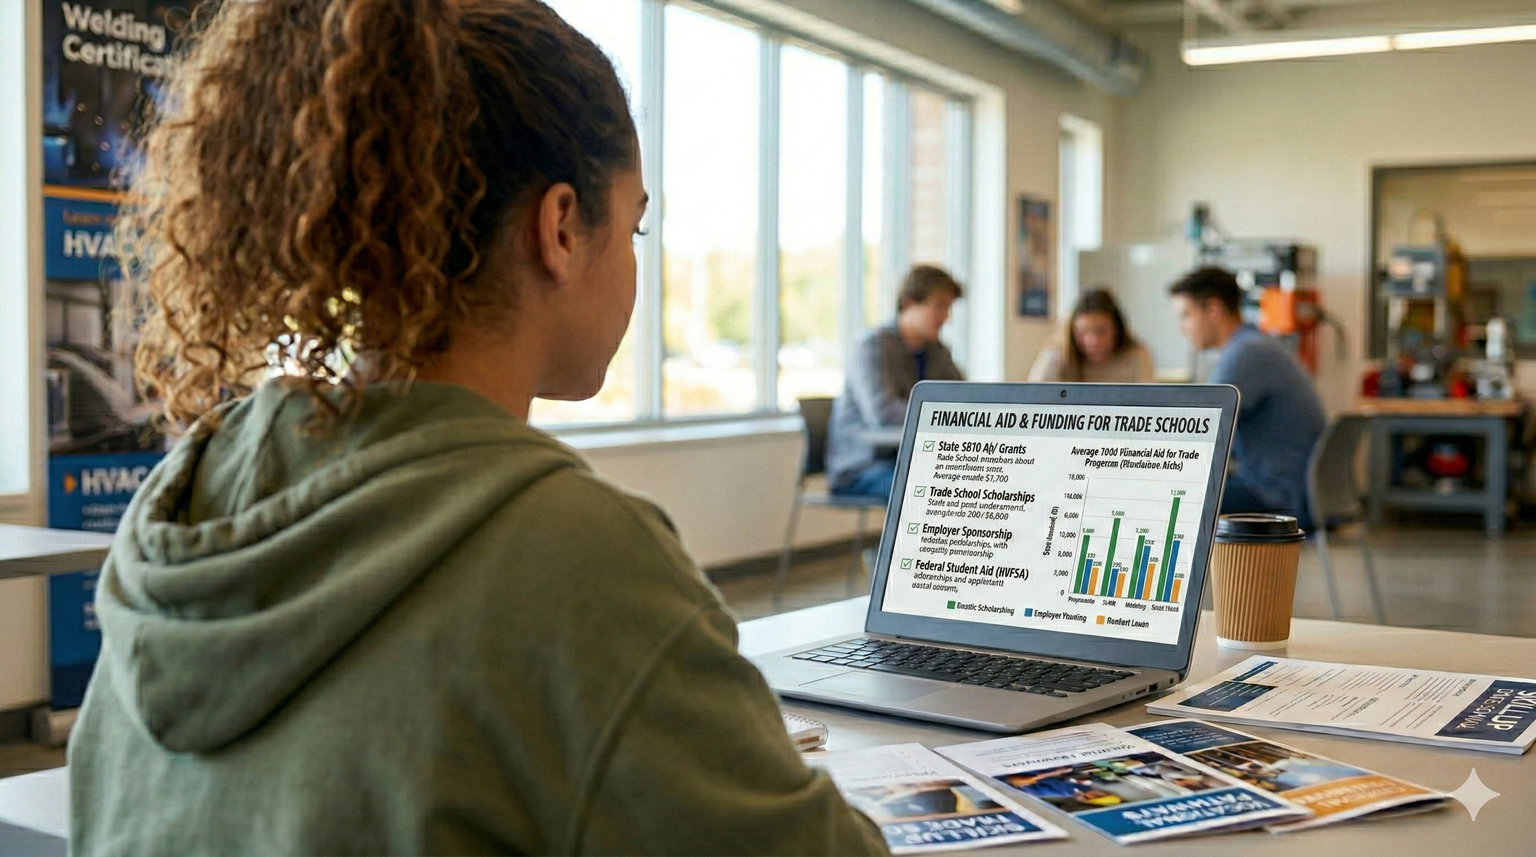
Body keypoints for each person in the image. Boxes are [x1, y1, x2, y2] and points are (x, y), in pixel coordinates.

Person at [68, 2, 887, 855]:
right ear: (561, 227)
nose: (636, 256)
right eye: (634, 224)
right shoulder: (579, 556)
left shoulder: (182, 501)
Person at [1170, 267, 1325, 525]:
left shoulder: (1246, 353)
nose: (1182, 328)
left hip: (1278, 497)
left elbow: (1201, 428)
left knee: (1170, 499)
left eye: (1186, 315)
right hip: (1293, 490)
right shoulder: (1254, 344)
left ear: (1214, 310)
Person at [827, 265, 965, 498]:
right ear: (910, 302)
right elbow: (884, 414)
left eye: (948, 308)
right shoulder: (872, 346)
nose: (945, 318)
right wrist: (945, 417)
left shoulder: (937, 351)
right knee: (927, 490)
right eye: (939, 306)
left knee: (973, 483)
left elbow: (963, 399)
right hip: (863, 466)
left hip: (912, 459)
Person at [1028, 288, 1154, 383]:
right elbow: (1033, 404)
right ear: (1072, 332)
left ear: (1117, 329)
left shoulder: (1137, 356)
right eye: (1083, 331)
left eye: (1101, 331)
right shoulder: (1057, 357)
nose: (1093, 340)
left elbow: (1150, 408)